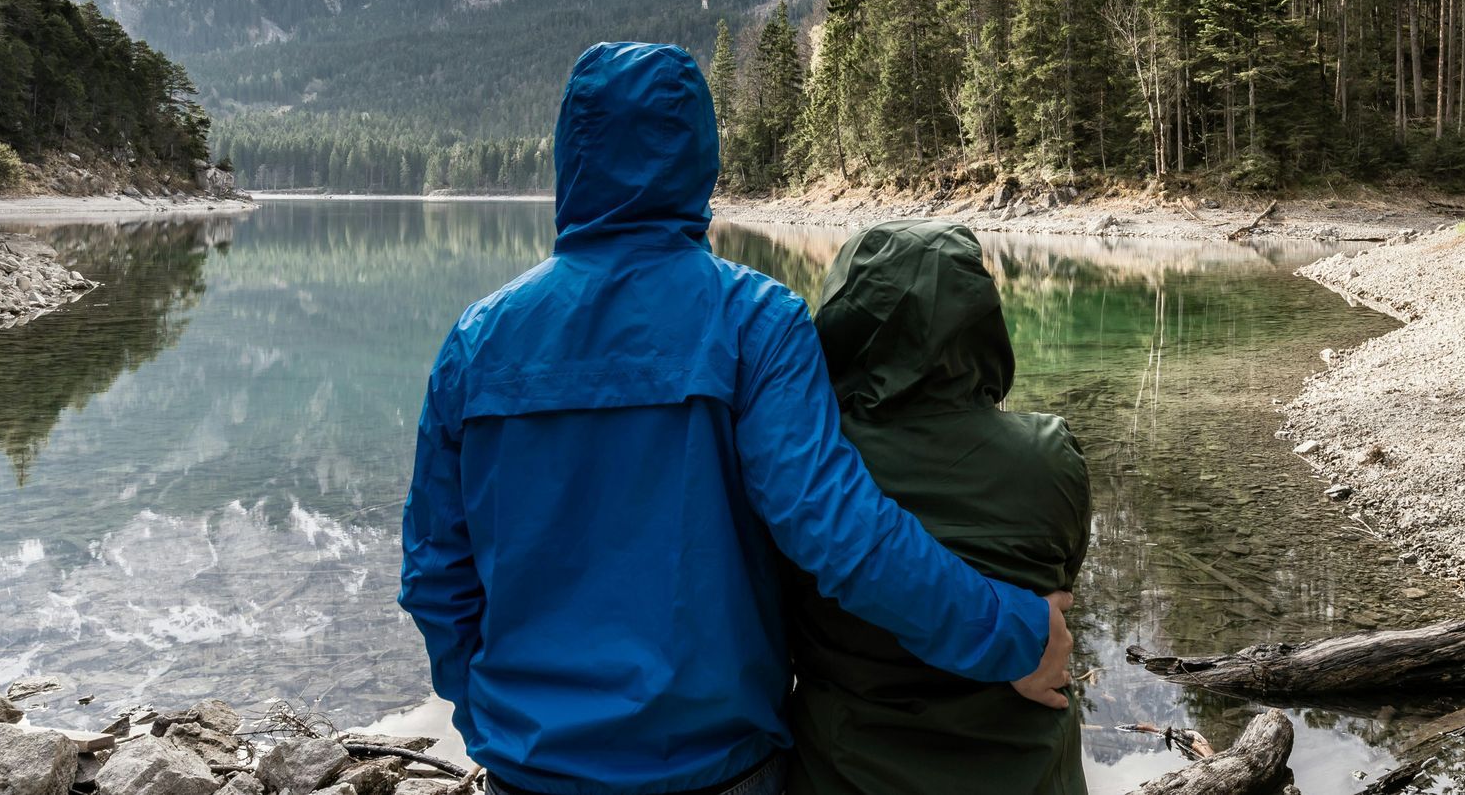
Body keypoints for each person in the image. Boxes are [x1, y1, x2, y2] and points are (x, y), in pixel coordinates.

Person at [398, 42, 1071, 795]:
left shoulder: (477, 340)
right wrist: (1015, 634)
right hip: (717, 769)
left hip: (530, 771)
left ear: (570, 154)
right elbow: (840, 536)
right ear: (700, 159)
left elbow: (434, 578)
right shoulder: (756, 321)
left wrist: (497, 715)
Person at [787, 220, 1091, 795]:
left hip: (846, 773)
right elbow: (1062, 587)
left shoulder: (812, 468)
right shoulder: (1050, 456)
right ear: (979, 318)